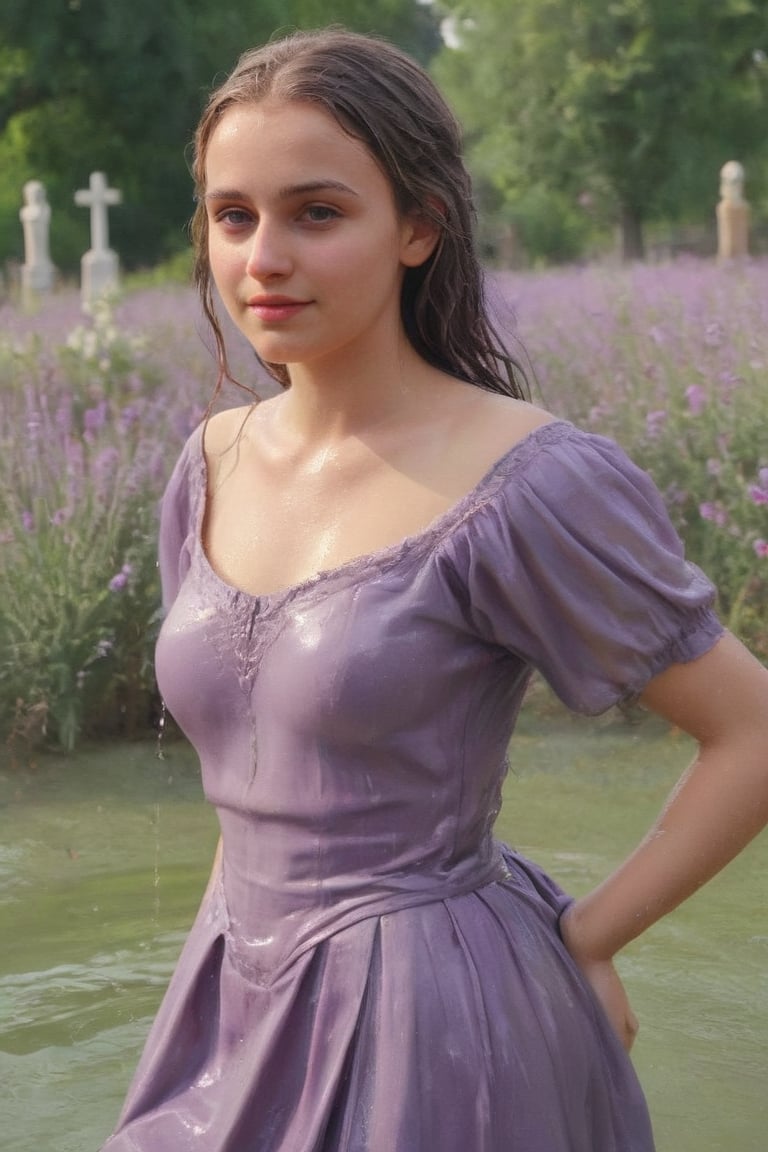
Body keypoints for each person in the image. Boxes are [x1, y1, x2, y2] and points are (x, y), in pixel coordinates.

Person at [101, 28, 768, 1152]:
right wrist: (216, 1010)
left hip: (437, 1028)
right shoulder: (207, 462)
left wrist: (590, 938)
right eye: (233, 216)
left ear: (419, 226)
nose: (265, 257)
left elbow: (750, 732)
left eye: (317, 213)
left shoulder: (528, 483)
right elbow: (252, 773)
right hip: (233, 990)